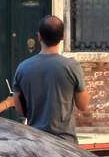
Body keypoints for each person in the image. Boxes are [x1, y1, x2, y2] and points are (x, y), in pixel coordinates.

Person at [11, 16, 90, 144]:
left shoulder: (23, 67)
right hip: (66, 143)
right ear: (63, 36)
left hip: (36, 141)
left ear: (39, 37)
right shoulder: (72, 66)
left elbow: (21, 111)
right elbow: (83, 105)